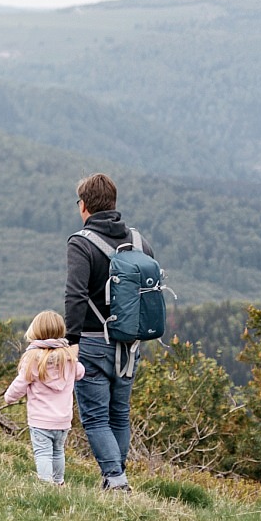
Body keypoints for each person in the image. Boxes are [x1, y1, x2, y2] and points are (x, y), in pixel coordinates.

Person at [66, 172, 150, 492]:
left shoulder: (81, 243)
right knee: (119, 415)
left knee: (96, 418)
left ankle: (116, 481)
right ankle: (115, 475)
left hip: (91, 341)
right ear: (113, 204)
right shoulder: (140, 243)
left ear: (84, 206)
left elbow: (75, 295)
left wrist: (70, 342)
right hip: (129, 344)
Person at [4, 310, 85, 484]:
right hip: (63, 420)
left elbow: (20, 383)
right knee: (58, 452)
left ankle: (45, 484)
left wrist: (9, 397)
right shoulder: (69, 358)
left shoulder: (33, 359)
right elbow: (80, 373)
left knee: (43, 453)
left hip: (40, 420)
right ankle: (58, 482)